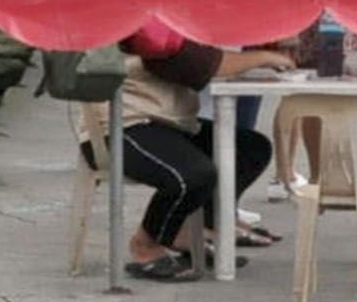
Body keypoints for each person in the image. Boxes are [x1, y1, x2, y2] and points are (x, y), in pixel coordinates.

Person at [113, 25, 276, 283]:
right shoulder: (148, 27)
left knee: (251, 149)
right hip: (126, 124)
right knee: (193, 174)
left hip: (171, 122)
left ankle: (195, 230)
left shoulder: (169, 19)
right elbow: (204, 65)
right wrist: (265, 57)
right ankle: (146, 245)